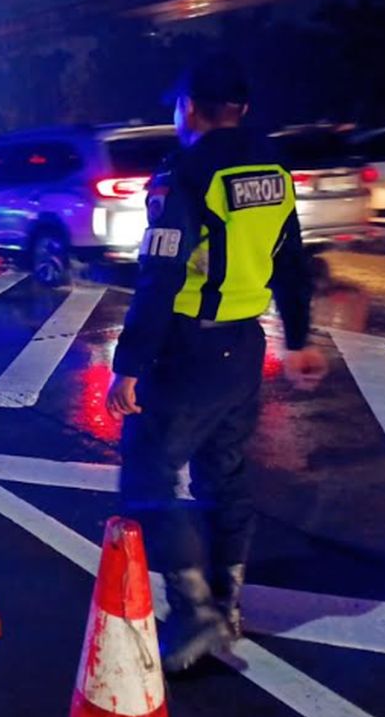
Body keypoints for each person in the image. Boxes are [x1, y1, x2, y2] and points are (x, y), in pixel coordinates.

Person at [105, 53, 328, 672]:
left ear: (191, 109)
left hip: (187, 350)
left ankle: (195, 611)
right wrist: (300, 336)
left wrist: (129, 365)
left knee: (148, 474)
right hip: (244, 347)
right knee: (222, 473)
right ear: (244, 110)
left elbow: (161, 273)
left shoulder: (185, 172)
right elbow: (292, 260)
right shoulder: (275, 171)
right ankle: (228, 603)